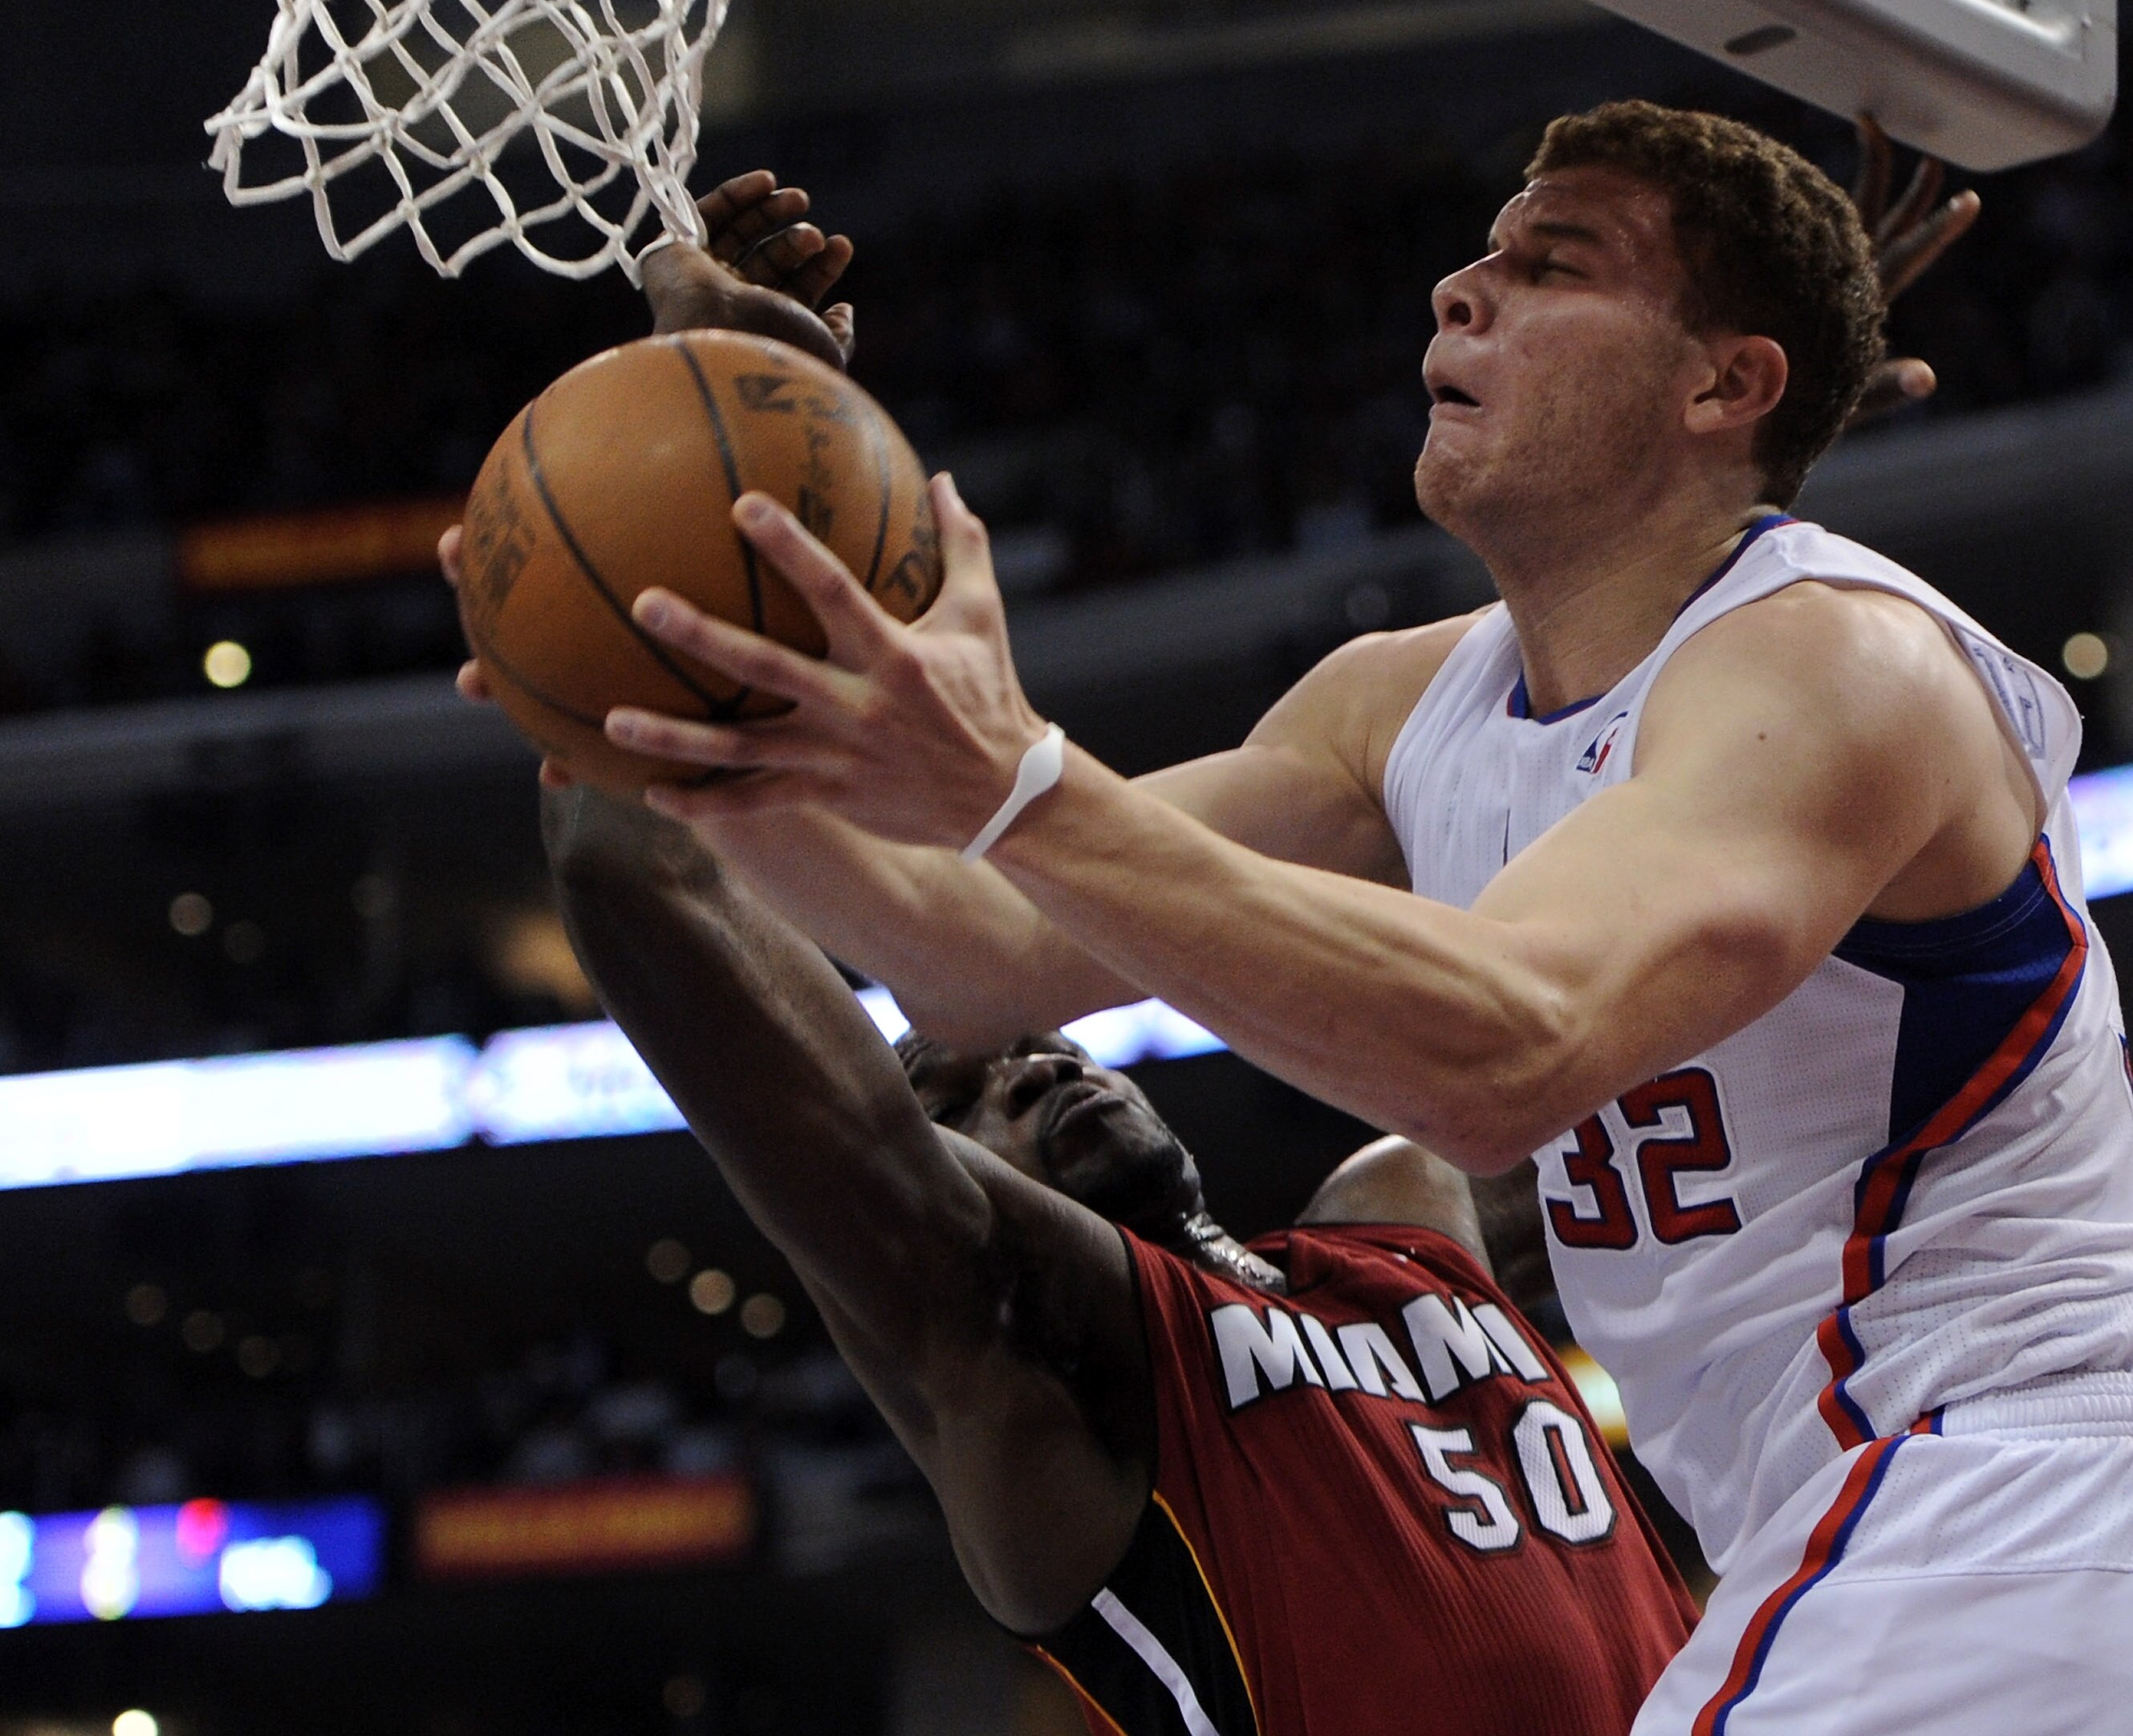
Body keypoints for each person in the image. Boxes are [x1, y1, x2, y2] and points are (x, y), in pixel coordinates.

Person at [582, 105, 2133, 1734]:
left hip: (2026, 1468)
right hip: (1860, 1530)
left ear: (1721, 385)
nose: (1464, 288)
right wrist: (731, 473)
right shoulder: (1401, 710)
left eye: (1553, 266)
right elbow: (962, 952)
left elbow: (1507, 1048)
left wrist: (1020, 778)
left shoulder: (1838, 667)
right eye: (1483, 251)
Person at [538, 780, 1700, 1734]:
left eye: (1038, 1046)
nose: (1029, 1069)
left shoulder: (1397, 1219)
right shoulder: (1036, 1376)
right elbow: (642, 882)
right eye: (963, 1098)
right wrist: (625, 704)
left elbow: (1663, 1049)